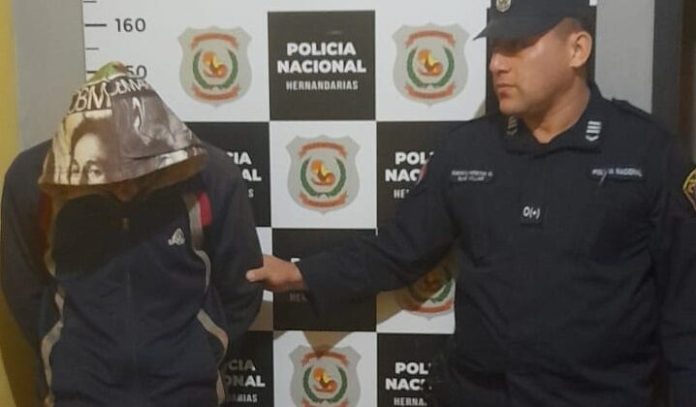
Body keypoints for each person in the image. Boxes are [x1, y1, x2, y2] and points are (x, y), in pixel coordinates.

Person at [246, 1, 696, 406]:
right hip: (478, 393)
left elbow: (685, 310)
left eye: (518, 45)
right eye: (496, 47)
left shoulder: (649, 153)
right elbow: (398, 250)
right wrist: (300, 274)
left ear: (577, 49)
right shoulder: (466, 151)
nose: (497, 63)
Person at [1, 62, 263, 406]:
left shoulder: (211, 174)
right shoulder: (31, 179)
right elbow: (24, 289)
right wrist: (66, 354)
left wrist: (200, 349)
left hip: (187, 393)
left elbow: (241, 287)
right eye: (106, 175)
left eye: (138, 171)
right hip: (77, 394)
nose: (124, 188)